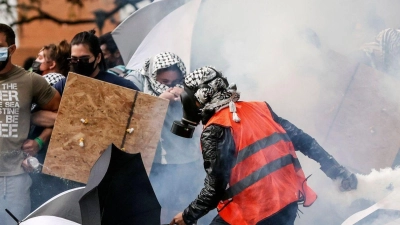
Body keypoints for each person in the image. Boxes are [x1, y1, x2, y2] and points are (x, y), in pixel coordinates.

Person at [169, 66, 358, 225]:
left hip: (255, 213)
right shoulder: (260, 108)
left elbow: (215, 188)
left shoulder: (214, 130)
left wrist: (187, 216)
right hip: (287, 205)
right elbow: (304, 140)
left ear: (198, 99)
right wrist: (336, 171)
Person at [126, 52, 204, 223]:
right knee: (157, 208)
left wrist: (187, 98)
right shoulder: (137, 84)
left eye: (174, 82)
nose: (170, 87)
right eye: (164, 82)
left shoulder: (190, 89)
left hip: (185, 162)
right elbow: (131, 121)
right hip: (153, 162)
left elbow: (202, 123)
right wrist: (159, 102)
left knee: (182, 210)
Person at [0, 23, 61, 225]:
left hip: (14, 178)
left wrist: (40, 141)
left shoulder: (30, 81)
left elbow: (61, 114)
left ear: (11, 49)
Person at [28, 40, 71, 211]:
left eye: (40, 58)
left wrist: (39, 139)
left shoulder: (51, 81)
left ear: (52, 64)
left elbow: (60, 117)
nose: (36, 61)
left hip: (47, 155)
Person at [53, 29, 139, 96]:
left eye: (84, 59)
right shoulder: (64, 85)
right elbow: (40, 112)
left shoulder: (120, 86)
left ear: (98, 58)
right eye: (74, 59)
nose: (79, 63)